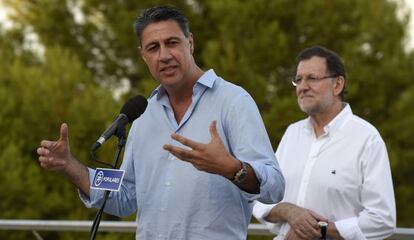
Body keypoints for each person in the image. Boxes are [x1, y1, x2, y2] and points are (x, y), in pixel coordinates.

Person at [37, 5, 285, 240]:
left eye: (172, 43)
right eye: (153, 47)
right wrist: (69, 165)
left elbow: (274, 186)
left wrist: (232, 168)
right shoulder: (143, 114)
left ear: (190, 42)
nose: (164, 55)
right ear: (143, 55)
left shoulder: (233, 101)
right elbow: (124, 195)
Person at [253, 46, 396, 240]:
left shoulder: (367, 139)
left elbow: (382, 219)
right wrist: (288, 211)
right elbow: (261, 199)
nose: (302, 87)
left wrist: (319, 229)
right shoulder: (292, 134)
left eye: (312, 78)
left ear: (337, 85)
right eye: (298, 79)